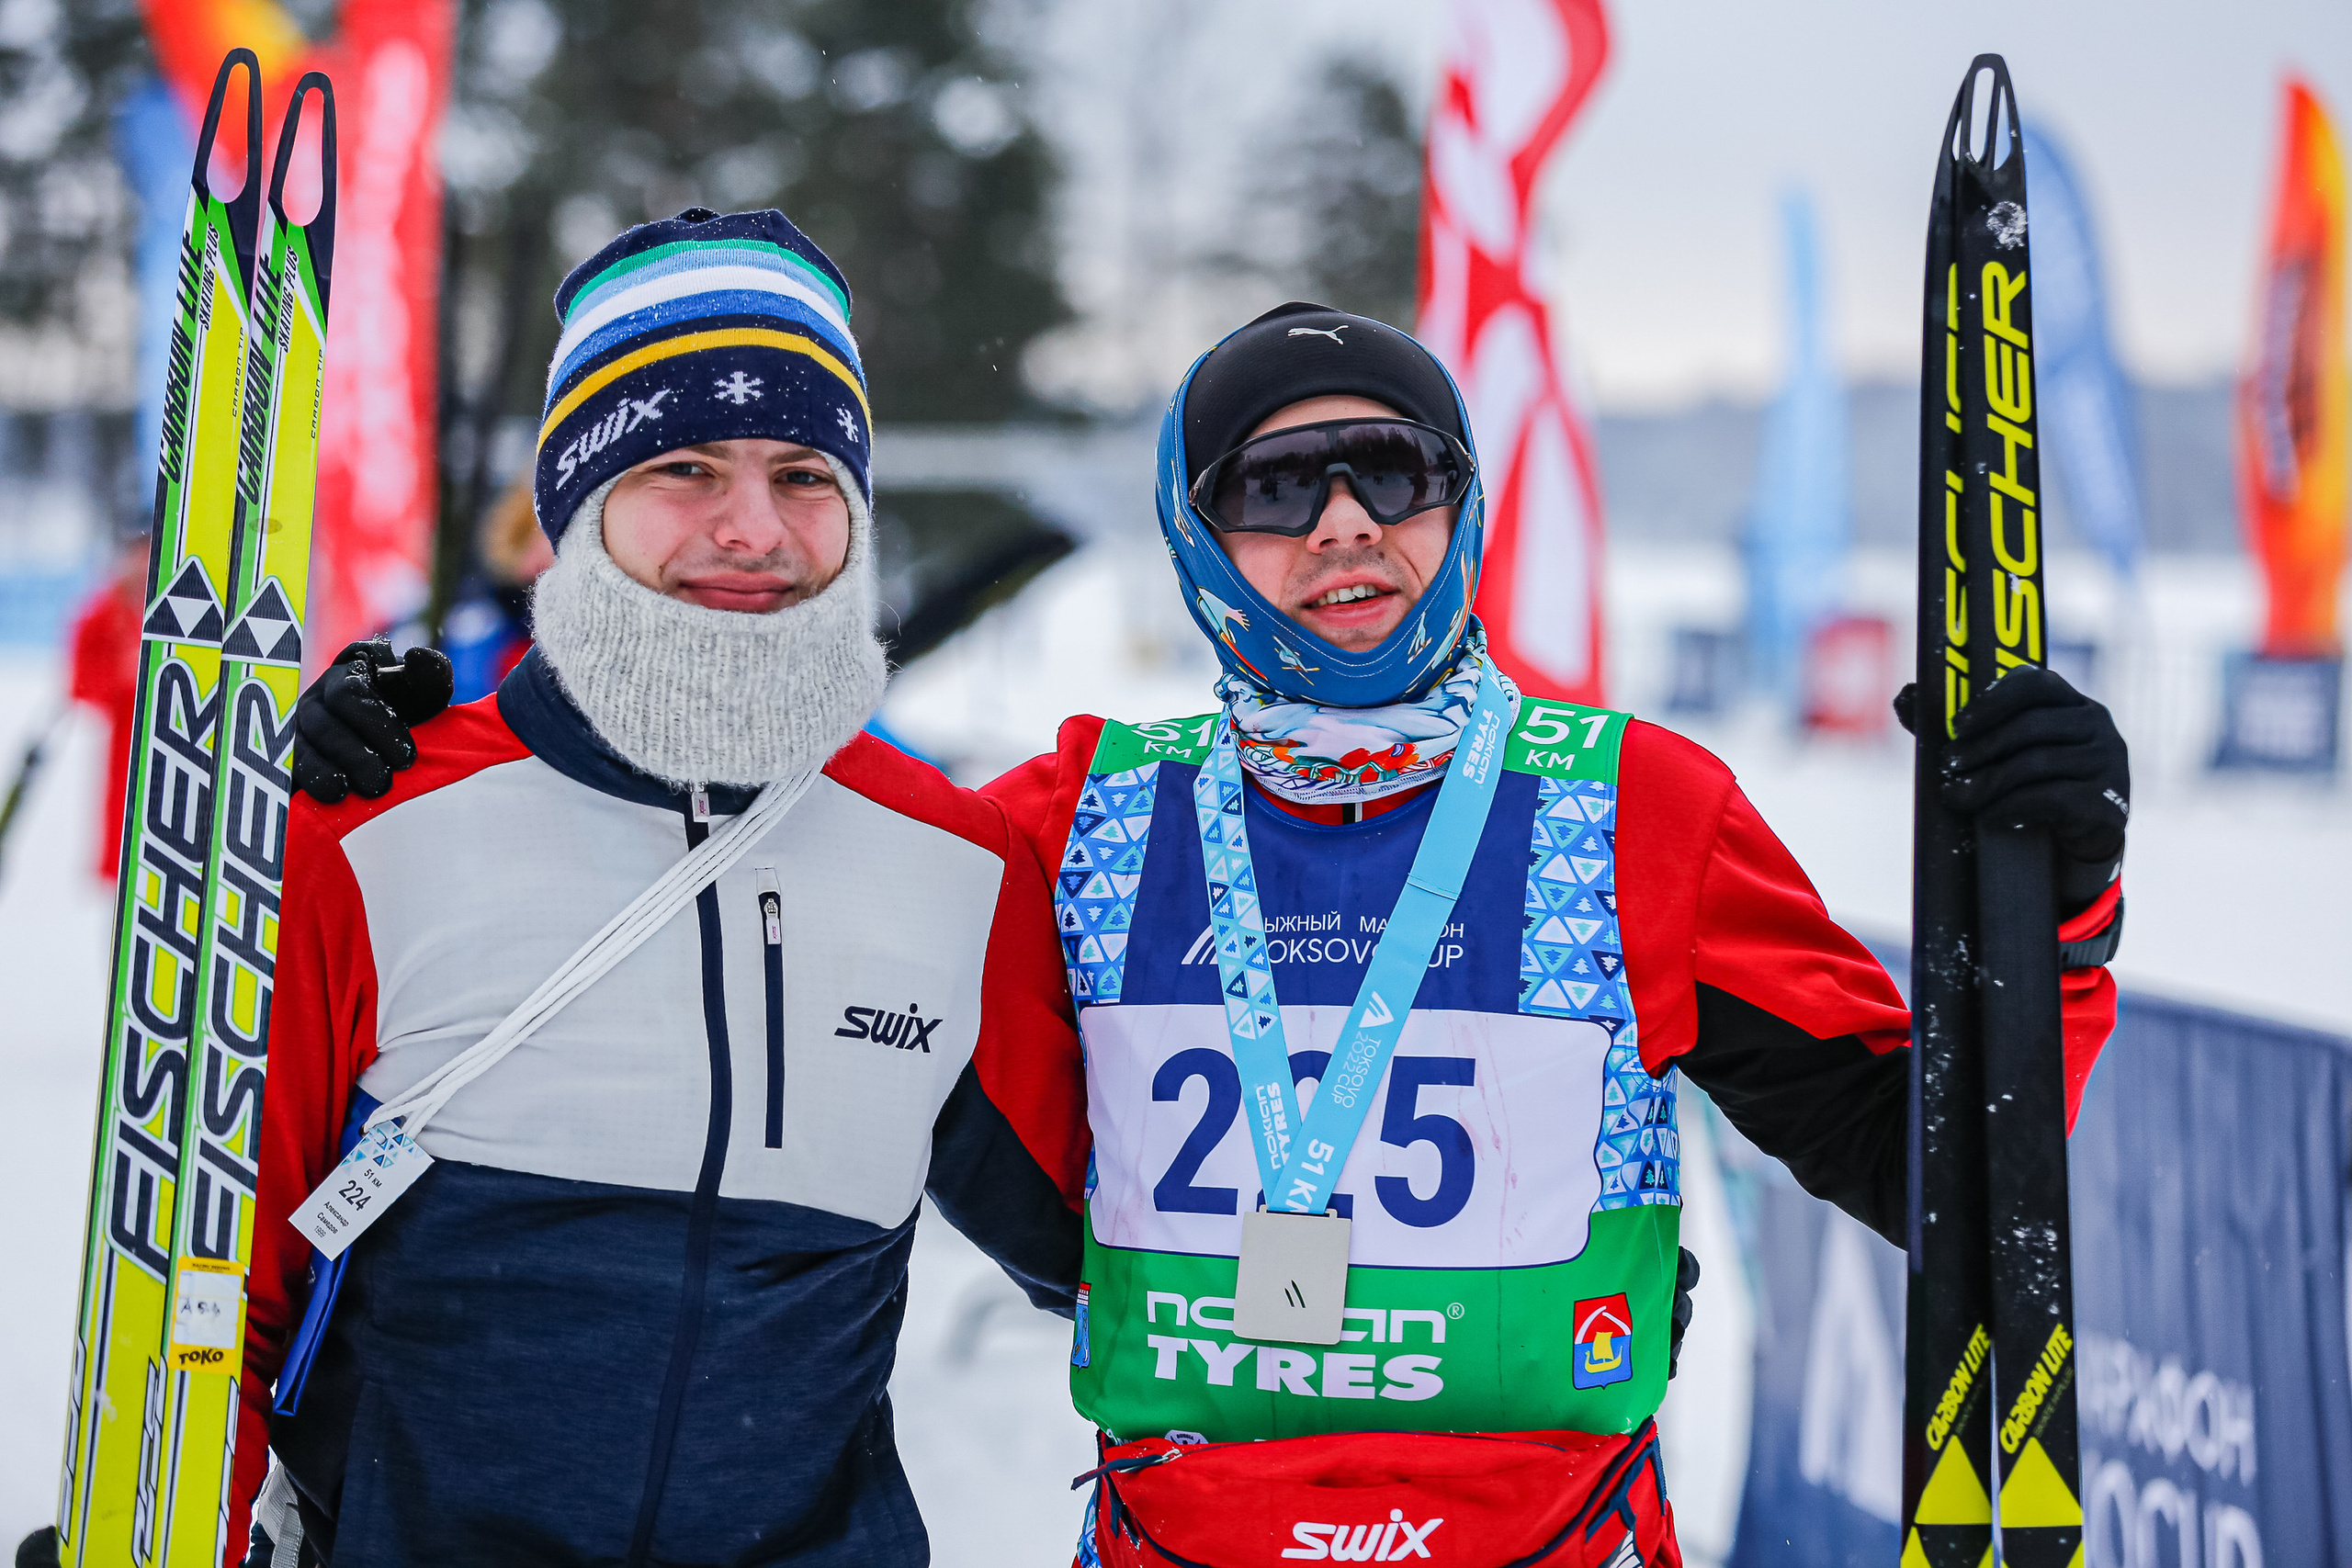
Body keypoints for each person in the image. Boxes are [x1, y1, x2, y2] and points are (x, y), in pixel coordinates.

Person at [297, 302, 2129, 1567]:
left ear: (1455, 508)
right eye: (1271, 487)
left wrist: (2043, 911)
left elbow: (1935, 1168)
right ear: (1192, 538)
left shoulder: (1631, 808)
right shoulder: (1066, 822)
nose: (1341, 526)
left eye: (1389, 473)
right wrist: (433, 740)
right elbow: (756, 851)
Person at [236, 208, 1084, 1568]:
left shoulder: (951, 858)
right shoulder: (370, 826)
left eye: (806, 473)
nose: (752, 527)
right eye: (685, 465)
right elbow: (218, 1296)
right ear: (574, 498)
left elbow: (1121, 1250)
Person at [65, 532, 150, 881]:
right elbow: (80, 681)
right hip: (125, 732)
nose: (141, 565)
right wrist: (122, 677)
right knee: (125, 810)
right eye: (135, 556)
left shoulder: (178, 602)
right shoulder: (102, 613)